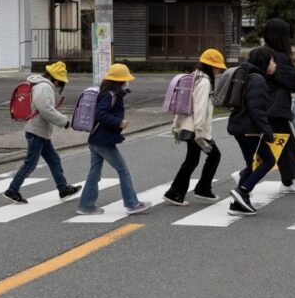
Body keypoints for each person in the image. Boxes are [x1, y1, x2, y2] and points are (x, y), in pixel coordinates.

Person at [77, 64, 151, 215]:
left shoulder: (107, 93)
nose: (127, 83)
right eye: (125, 80)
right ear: (119, 81)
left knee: (94, 173)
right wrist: (119, 122)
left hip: (95, 139)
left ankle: (86, 205)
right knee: (123, 170)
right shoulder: (109, 95)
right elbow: (100, 114)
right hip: (104, 141)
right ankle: (132, 204)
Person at [4, 62, 81, 204]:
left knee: (54, 160)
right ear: (56, 79)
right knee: (30, 164)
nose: (60, 85)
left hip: (40, 131)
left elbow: (45, 109)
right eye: (61, 82)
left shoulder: (39, 85)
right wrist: (64, 121)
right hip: (36, 131)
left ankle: (63, 189)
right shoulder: (44, 87)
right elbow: (46, 110)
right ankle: (12, 190)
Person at [163, 49, 226, 206]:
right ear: (211, 66)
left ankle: (178, 191)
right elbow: (199, 107)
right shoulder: (204, 82)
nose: (219, 70)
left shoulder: (193, 77)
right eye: (217, 67)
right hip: (197, 130)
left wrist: (176, 125)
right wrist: (199, 132)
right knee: (214, 155)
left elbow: (182, 105)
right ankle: (198, 189)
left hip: (188, 127)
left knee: (192, 160)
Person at [227, 47, 277, 216]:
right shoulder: (257, 80)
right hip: (249, 129)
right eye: (272, 61)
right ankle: (243, 191)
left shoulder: (247, 74)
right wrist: (268, 133)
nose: (274, 65)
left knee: (251, 164)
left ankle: (237, 204)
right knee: (269, 160)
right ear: (264, 62)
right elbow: (258, 110)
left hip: (239, 126)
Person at [263, 18, 295, 194]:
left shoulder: (261, 52)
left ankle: (287, 181)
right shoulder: (279, 56)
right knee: (285, 145)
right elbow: (291, 81)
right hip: (276, 107)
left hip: (261, 104)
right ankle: (246, 175)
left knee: (274, 144)